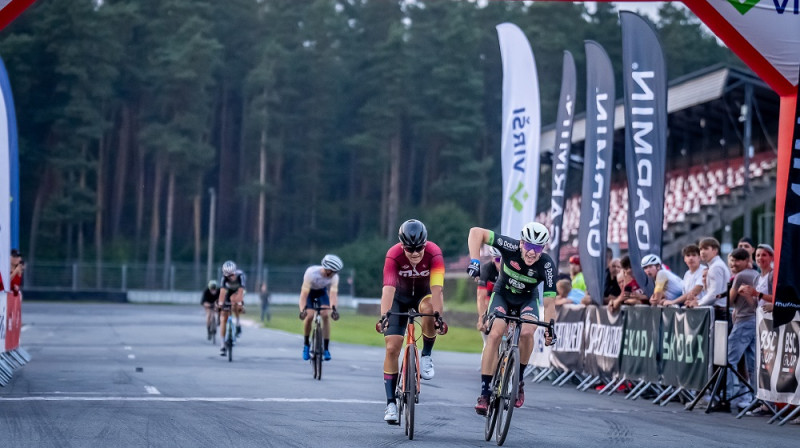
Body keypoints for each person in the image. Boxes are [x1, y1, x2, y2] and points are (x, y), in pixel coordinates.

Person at [467, 221, 555, 415]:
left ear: (543, 248)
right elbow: (476, 232)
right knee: (496, 332)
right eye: (529, 246)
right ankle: (484, 392)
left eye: (538, 247)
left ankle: (519, 380)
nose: (532, 252)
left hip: (527, 300)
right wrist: (475, 260)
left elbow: (549, 302)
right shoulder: (510, 246)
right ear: (521, 243)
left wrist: (550, 328)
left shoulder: (547, 264)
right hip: (502, 295)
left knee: (528, 331)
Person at [378, 219, 446, 424]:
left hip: (423, 296)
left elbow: (437, 290)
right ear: (402, 245)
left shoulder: (434, 253)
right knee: (392, 348)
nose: (415, 254)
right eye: (410, 249)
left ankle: (426, 355)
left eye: (419, 249)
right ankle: (390, 403)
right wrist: (384, 317)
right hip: (399, 298)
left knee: (429, 310)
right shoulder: (394, 255)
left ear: (425, 244)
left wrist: (438, 317)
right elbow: (388, 289)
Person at [726, 248, 759, 407]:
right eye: (732, 260)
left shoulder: (741, 276)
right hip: (754, 321)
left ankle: (728, 395)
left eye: (738, 260)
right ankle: (752, 397)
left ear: (747, 260)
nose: (734, 263)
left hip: (744, 321)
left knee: (728, 358)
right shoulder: (755, 274)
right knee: (752, 363)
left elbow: (730, 301)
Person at [299, 254, 343, 362]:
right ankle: (306, 345)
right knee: (309, 316)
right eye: (333, 271)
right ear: (327, 269)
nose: (334, 274)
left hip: (322, 293)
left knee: (325, 315)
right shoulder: (311, 273)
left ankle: (326, 348)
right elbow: (303, 295)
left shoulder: (334, 277)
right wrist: (302, 310)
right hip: (309, 293)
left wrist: (333, 309)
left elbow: (333, 295)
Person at [687, 237, 731, 322]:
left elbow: (714, 294)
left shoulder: (716, 267)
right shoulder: (715, 265)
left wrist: (698, 303)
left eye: (706, 248)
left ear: (715, 250)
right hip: (718, 310)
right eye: (700, 249)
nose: (702, 252)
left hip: (719, 311)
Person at [218, 260, 246, 357]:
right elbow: (222, 292)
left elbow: (241, 291)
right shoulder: (223, 279)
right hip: (228, 292)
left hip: (238, 291)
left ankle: (238, 322)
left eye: (232, 274)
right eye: (228, 276)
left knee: (237, 306)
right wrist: (220, 304)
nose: (231, 277)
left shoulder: (240, 276)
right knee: (223, 318)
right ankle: (222, 344)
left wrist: (239, 303)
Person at [476, 246, 501, 347]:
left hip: (505, 300)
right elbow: (481, 297)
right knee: (488, 344)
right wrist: (482, 318)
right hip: (489, 301)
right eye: (498, 259)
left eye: (503, 259)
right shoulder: (486, 269)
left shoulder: (512, 269)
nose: (501, 263)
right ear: (492, 259)